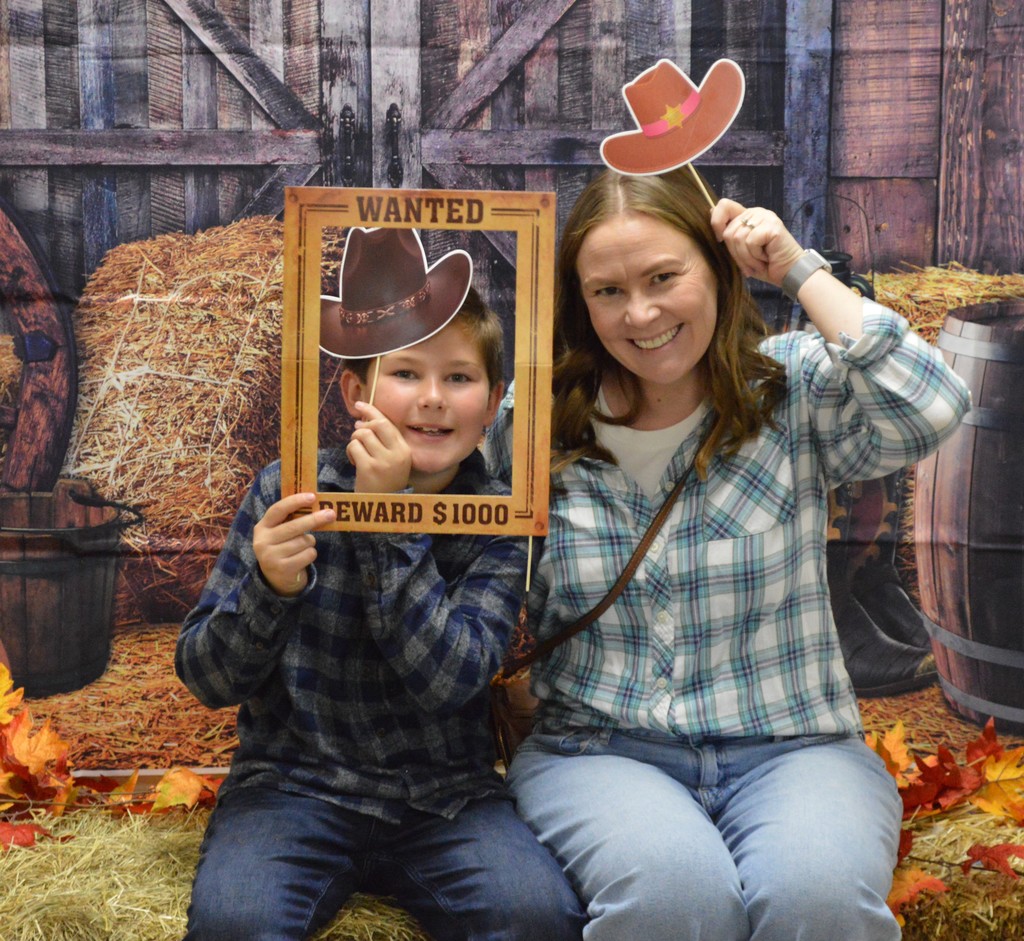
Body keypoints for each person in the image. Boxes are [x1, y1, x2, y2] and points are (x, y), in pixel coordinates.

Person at [485, 167, 970, 941]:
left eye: (663, 277)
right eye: (607, 291)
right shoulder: (534, 419)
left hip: (795, 746)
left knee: (817, 900)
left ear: (714, 271)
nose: (640, 312)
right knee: (677, 903)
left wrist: (794, 267)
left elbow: (936, 403)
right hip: (599, 750)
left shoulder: (794, 387)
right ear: (580, 303)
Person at [176, 271, 585, 941]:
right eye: (404, 372)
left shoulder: (501, 518)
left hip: (446, 796)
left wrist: (390, 522)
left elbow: (452, 680)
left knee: (537, 915)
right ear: (355, 393)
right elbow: (206, 678)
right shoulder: (290, 489)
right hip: (291, 786)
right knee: (235, 923)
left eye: (459, 377)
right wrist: (269, 588)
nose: (431, 399)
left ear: (494, 402)